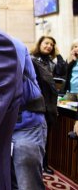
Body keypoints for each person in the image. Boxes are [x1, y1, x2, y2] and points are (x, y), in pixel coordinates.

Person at [11, 37, 47, 190]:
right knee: (9, 180)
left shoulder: (11, 44)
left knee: (28, 183)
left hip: (27, 125)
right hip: (7, 127)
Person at [30, 35, 67, 174]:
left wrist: (58, 54)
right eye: (46, 43)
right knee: (36, 138)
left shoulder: (51, 61)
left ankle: (44, 164)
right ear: (39, 44)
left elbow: (62, 73)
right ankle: (38, 165)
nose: (49, 46)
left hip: (49, 105)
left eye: (52, 44)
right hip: (36, 104)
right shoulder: (32, 60)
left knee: (46, 138)